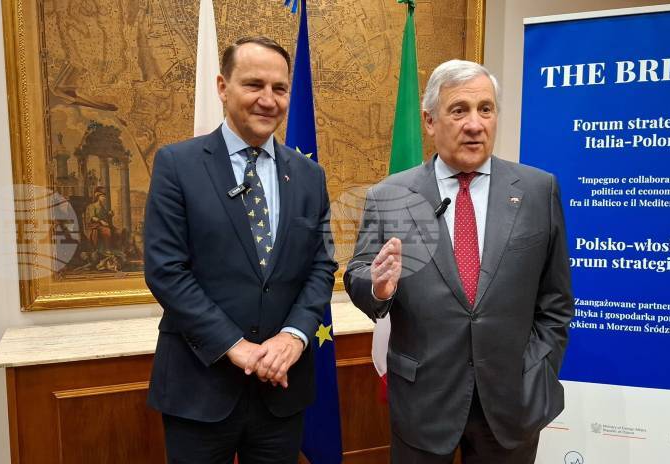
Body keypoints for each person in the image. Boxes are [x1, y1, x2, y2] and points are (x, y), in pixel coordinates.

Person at [344, 59, 574, 463]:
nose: (475, 124)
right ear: (430, 122)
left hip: (512, 399)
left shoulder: (538, 190)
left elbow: (555, 301)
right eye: (459, 110)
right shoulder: (389, 195)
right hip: (423, 399)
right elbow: (358, 276)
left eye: (485, 109)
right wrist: (378, 287)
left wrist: (538, 367)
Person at [144, 36, 337, 464]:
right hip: (200, 387)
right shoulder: (177, 165)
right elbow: (166, 270)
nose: (268, 100)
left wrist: (293, 337)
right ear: (222, 86)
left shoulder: (310, 176)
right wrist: (235, 345)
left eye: (279, 88)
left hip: (282, 388)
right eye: (253, 85)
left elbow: (321, 266)